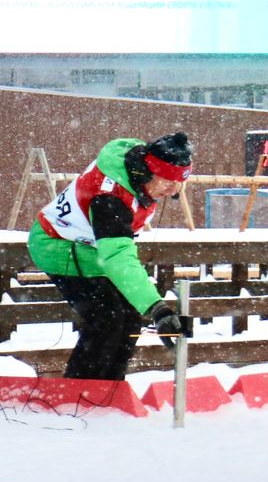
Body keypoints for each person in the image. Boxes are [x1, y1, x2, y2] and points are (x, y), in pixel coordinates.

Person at [27, 132, 194, 380]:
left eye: (179, 183)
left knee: (129, 318)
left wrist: (148, 307)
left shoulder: (138, 167)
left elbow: (115, 253)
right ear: (149, 171)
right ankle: (80, 392)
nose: (173, 191)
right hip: (57, 244)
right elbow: (116, 255)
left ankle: (110, 389)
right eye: (168, 182)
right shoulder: (110, 199)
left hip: (92, 248)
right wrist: (157, 308)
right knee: (107, 319)